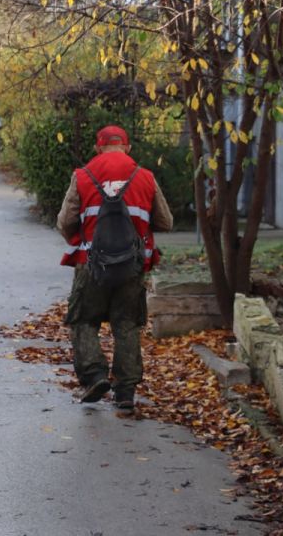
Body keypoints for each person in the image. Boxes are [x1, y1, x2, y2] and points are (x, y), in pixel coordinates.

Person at [56, 125, 173, 411]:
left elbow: (65, 222)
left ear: (98, 148)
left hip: (90, 265)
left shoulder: (82, 176)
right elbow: (166, 221)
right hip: (132, 267)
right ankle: (125, 393)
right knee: (127, 324)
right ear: (128, 147)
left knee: (83, 321)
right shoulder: (145, 177)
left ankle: (95, 376)